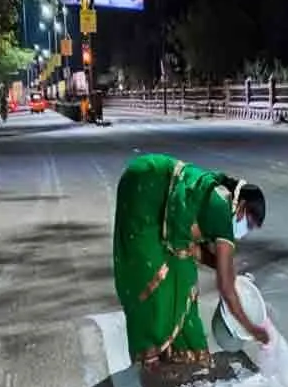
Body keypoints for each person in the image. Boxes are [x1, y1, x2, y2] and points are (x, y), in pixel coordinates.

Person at [112, 153, 269, 370]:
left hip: (154, 185)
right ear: (241, 206)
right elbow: (225, 286)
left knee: (182, 269)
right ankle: (149, 351)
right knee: (152, 268)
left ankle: (176, 347)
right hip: (144, 187)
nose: (246, 232)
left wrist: (227, 269)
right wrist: (252, 329)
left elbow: (192, 248)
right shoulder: (221, 209)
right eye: (249, 224)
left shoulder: (222, 200)